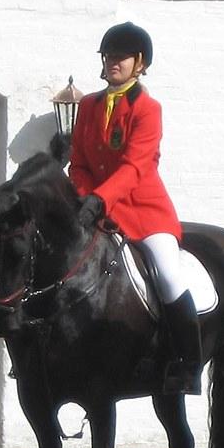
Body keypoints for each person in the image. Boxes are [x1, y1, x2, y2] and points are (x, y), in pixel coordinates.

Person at [69, 21, 202, 394]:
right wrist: (83, 196)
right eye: (109, 56)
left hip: (143, 211)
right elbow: (78, 161)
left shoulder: (148, 109)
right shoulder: (88, 105)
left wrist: (99, 198)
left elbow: (134, 165)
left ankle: (189, 364)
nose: (113, 61)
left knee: (167, 274)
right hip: (96, 209)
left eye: (121, 57)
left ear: (139, 63)